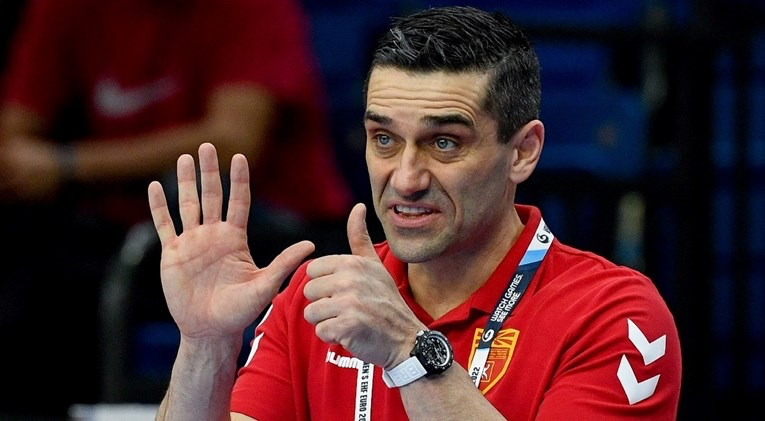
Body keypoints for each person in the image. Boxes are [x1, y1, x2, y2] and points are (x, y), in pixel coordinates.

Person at [149, 6, 682, 420]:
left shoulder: (614, 315)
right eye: (384, 139)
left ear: (523, 152)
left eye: (444, 143)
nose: (405, 178)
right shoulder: (317, 302)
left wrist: (411, 352)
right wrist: (206, 345)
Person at [0, 0, 351, 415]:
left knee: (57, 296)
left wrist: (68, 167)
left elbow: (233, 142)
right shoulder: (63, 9)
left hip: (267, 230)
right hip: (121, 233)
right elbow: (13, 144)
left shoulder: (253, 9)